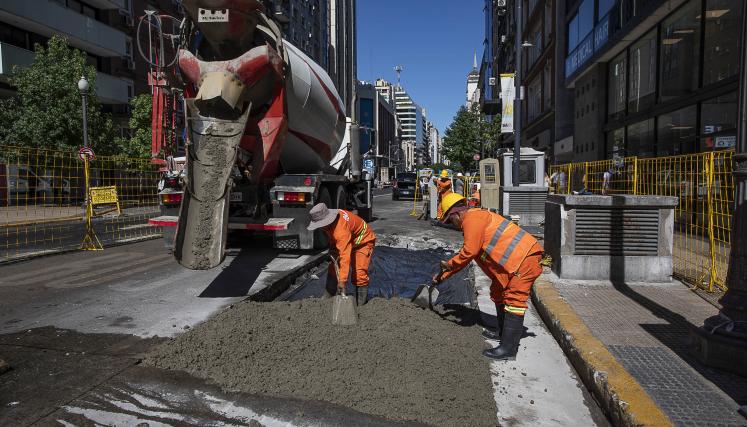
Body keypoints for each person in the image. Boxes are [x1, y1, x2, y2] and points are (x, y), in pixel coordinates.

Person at [433, 194, 544, 361]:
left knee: (514, 300)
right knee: (498, 291)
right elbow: (467, 257)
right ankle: (502, 332)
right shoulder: (474, 220)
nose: (452, 225)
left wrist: (449, 264)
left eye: (450, 221)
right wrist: (442, 277)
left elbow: (468, 252)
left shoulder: (472, 219)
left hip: (525, 259)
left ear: (456, 214)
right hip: (515, 262)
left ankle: (508, 349)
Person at [307, 203, 376, 306]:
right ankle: (327, 298)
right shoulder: (330, 219)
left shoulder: (341, 231)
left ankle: (361, 305)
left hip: (363, 242)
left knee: (359, 273)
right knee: (333, 268)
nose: (320, 228)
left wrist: (342, 281)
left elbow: (345, 257)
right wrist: (333, 248)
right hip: (349, 239)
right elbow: (333, 236)